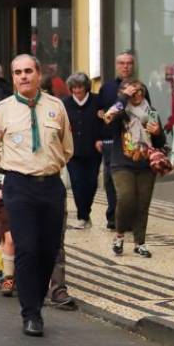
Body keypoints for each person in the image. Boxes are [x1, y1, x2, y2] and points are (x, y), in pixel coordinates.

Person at [0, 54, 73, 337]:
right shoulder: (2, 110)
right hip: (19, 187)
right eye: (17, 72)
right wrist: (11, 169)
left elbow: (67, 148)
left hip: (51, 185)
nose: (23, 76)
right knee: (27, 247)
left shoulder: (56, 107)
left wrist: (48, 164)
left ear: (38, 73)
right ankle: (31, 313)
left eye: (28, 71)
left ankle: (38, 297)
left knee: (48, 249)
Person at [104, 81, 165, 258]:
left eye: (140, 91)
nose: (136, 95)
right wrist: (123, 97)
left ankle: (140, 243)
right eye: (133, 92)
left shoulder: (151, 113)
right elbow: (108, 119)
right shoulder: (120, 113)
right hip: (122, 163)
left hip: (146, 163)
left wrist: (157, 132)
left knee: (142, 203)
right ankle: (119, 235)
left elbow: (159, 143)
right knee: (126, 198)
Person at [96, 50, 137, 229]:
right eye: (122, 63)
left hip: (134, 140)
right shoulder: (107, 88)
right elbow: (100, 114)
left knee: (132, 181)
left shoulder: (140, 86)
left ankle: (130, 217)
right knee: (111, 180)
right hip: (111, 141)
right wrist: (98, 137)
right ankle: (113, 215)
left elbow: (149, 112)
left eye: (129, 63)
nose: (125, 66)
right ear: (116, 65)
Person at [62, 72, 102, 229]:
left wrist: (101, 138)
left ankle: (86, 211)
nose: (77, 91)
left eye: (80, 87)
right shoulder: (65, 103)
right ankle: (82, 216)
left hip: (93, 151)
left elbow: (105, 121)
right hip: (73, 152)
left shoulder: (97, 101)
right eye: (74, 88)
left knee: (91, 183)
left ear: (86, 87)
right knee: (77, 183)